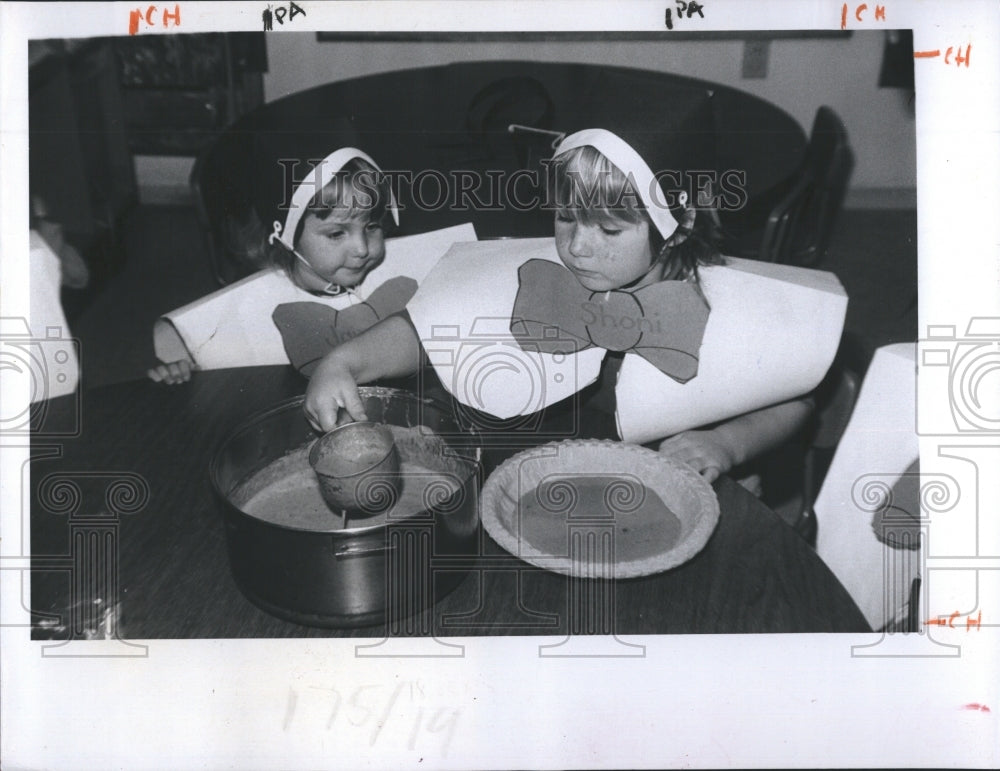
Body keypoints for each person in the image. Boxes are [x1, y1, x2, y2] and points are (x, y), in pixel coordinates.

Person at [304, 128, 813, 485]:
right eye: (565, 218)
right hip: (557, 469)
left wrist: (728, 444)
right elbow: (428, 330)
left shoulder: (722, 302)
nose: (577, 246)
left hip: (672, 477)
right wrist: (342, 361)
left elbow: (799, 394)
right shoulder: (546, 271)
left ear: (678, 224)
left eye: (609, 230)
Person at [147, 147, 398, 383]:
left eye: (372, 226)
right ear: (286, 238)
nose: (363, 248)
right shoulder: (248, 307)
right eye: (336, 234)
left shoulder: (396, 275)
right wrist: (180, 370)